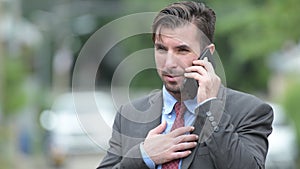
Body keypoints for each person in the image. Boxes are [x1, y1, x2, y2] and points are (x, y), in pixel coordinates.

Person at [97, 1, 273, 169]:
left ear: (207, 54)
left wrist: (210, 107)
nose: (169, 63)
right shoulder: (127, 115)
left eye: (182, 50)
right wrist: (143, 156)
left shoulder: (250, 111)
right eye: (161, 49)